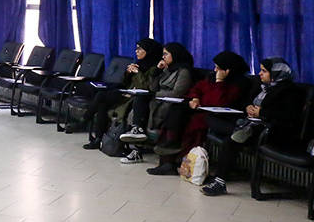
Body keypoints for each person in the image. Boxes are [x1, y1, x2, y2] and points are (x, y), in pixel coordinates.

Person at [203, 57, 306, 195]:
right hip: (250, 123)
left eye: (264, 71)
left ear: (275, 73)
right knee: (212, 119)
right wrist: (248, 107)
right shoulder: (262, 86)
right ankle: (235, 133)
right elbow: (246, 100)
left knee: (232, 140)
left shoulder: (291, 92)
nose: (259, 73)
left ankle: (219, 182)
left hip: (272, 130)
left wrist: (262, 112)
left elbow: (288, 116)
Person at [147, 50, 250, 176]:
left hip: (219, 116)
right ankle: (167, 161)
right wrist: (195, 98)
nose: (215, 70)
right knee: (176, 111)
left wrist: (220, 82)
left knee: (194, 123)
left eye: (218, 68)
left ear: (228, 70)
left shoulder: (239, 83)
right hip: (201, 109)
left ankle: (181, 160)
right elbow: (197, 88)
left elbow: (218, 102)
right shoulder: (211, 77)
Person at [119, 42, 193, 164]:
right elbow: (152, 87)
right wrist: (157, 71)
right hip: (157, 100)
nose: (163, 57)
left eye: (166, 54)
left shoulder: (184, 71)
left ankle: (137, 141)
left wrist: (156, 95)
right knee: (139, 101)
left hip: (169, 103)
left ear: (175, 55)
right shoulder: (167, 69)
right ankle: (137, 136)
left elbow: (177, 92)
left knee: (143, 108)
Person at [82, 38, 162, 149]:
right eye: (136, 49)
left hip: (137, 97)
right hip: (127, 92)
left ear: (149, 51)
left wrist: (137, 72)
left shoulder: (155, 68)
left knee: (101, 98)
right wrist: (128, 73)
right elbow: (124, 83)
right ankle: (98, 139)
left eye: (140, 49)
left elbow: (146, 86)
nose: (136, 51)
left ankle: (85, 120)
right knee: (102, 104)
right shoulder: (139, 64)